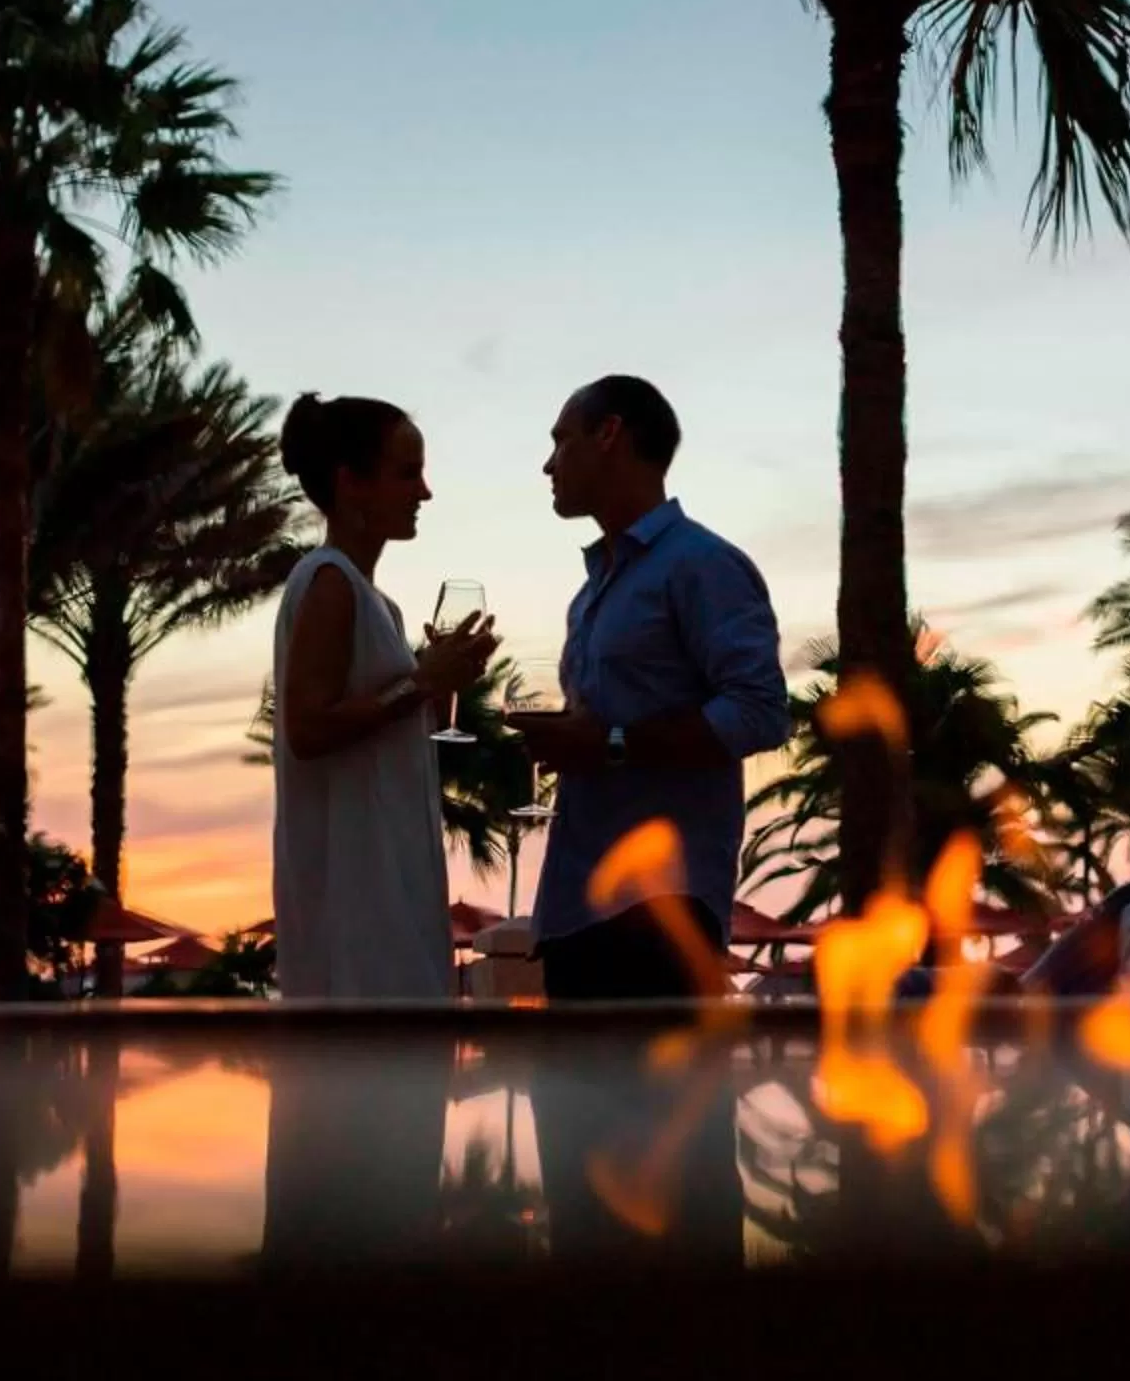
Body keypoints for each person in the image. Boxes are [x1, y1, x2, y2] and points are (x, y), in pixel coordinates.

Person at [512, 375, 789, 1001]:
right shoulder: (593, 590)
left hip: (661, 914)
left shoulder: (702, 565)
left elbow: (760, 710)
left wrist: (610, 743)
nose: (549, 464)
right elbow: (602, 733)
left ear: (609, 434)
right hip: (576, 910)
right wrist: (565, 740)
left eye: (561, 441)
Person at [270, 392, 494, 1001]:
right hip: (354, 903)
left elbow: (383, 724)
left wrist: (437, 682)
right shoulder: (329, 582)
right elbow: (307, 729)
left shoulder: (379, 605)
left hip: (388, 884)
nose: (424, 492)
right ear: (352, 483)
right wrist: (420, 683)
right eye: (407, 473)